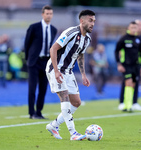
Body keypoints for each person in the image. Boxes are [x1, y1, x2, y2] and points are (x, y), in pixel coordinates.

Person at [45, 10, 96, 140]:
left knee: (77, 102)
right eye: (90, 20)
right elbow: (53, 48)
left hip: (68, 71)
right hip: (56, 68)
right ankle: (73, 133)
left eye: (94, 21)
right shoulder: (71, 33)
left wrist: (83, 75)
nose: (93, 23)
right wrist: (56, 71)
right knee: (65, 97)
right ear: (82, 21)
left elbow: (80, 54)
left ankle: (54, 125)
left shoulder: (88, 39)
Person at [24, 5, 57, 119]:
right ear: (42, 14)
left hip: (46, 62)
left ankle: (39, 112)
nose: (49, 15)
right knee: (32, 88)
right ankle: (31, 113)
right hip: (34, 62)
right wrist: (28, 59)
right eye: (47, 13)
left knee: (43, 88)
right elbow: (27, 44)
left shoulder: (53, 29)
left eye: (50, 13)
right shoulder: (34, 27)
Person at [115, 21, 141, 112]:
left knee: (133, 84)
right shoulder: (123, 38)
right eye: (132, 27)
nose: (133, 29)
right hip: (126, 65)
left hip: (136, 66)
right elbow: (116, 51)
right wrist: (119, 63)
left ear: (137, 29)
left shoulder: (139, 39)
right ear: (128, 28)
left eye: (135, 28)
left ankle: (130, 104)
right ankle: (126, 105)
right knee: (128, 82)